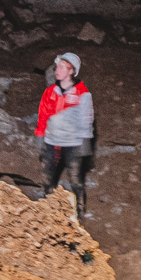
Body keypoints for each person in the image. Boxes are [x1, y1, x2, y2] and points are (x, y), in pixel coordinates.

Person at [36, 51, 93, 218]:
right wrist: (40, 139)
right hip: (52, 142)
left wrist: (84, 146)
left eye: (61, 67)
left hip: (72, 144)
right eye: (57, 67)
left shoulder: (82, 94)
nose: (57, 70)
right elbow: (43, 116)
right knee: (47, 178)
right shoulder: (50, 92)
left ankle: (79, 212)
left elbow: (86, 121)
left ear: (71, 70)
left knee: (75, 181)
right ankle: (48, 209)